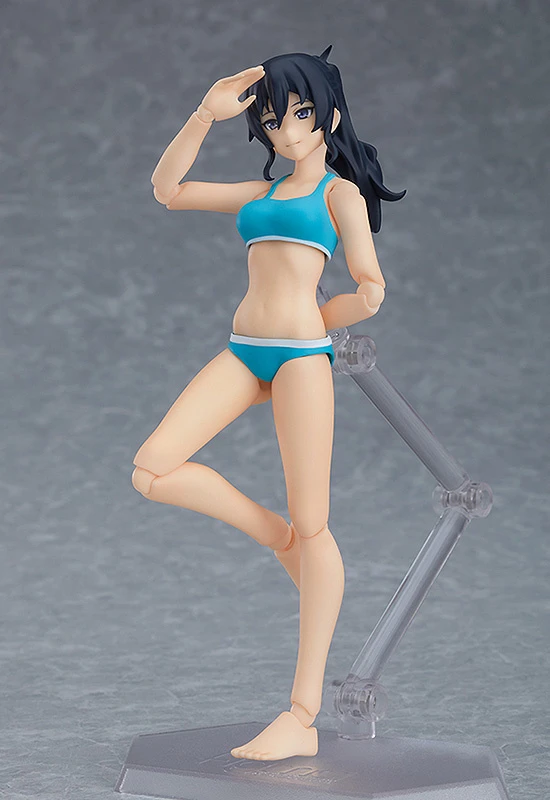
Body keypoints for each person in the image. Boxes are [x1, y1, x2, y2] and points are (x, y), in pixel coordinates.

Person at [132, 47, 405, 761]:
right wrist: (204, 113)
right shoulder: (262, 194)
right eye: (274, 119)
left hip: (300, 360)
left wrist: (320, 323)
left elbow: (371, 289)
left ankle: (301, 716)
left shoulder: (339, 197)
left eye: (301, 113)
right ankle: (275, 536)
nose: (286, 130)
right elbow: (168, 189)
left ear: (329, 118)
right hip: (242, 350)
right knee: (152, 470)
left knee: (316, 525)